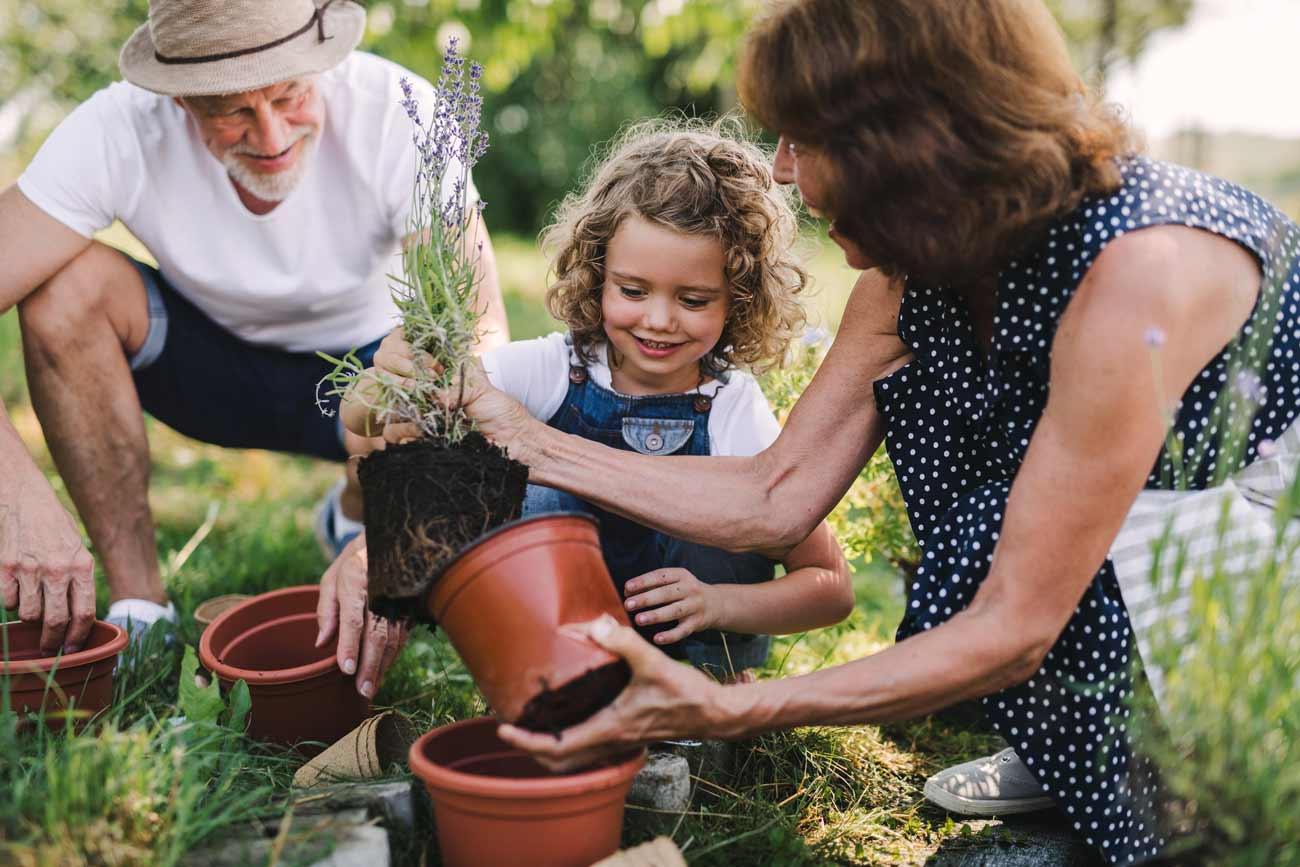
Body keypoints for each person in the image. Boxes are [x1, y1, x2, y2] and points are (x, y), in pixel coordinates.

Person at [364, 1, 1300, 863]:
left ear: (908, 146)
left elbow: (1014, 623)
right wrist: (510, 435)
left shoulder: (1134, 276)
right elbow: (777, 496)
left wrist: (733, 706)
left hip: (1250, 565)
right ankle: (1078, 758)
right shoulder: (910, 274)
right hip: (1111, 530)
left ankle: (1178, 769)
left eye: (802, 140)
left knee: (1199, 826)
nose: (776, 169)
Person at [0, 0, 508, 679]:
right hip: (206, 369)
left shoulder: (398, 112)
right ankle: (140, 607)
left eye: (290, 94)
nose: (269, 136)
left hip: (364, 381)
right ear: (178, 96)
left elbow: (479, 340)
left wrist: (387, 544)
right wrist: (18, 496)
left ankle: (356, 510)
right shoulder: (118, 126)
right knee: (62, 292)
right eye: (230, 111)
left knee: (428, 363)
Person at [333, 122, 855, 682]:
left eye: (694, 298)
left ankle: (713, 690)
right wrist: (384, 380)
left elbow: (831, 589)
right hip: (560, 658)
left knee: (731, 507)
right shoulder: (553, 369)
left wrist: (720, 604)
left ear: (740, 299)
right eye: (633, 291)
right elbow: (369, 418)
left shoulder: (733, 409)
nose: (658, 320)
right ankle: (547, 680)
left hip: (691, 667)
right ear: (597, 274)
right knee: (531, 491)